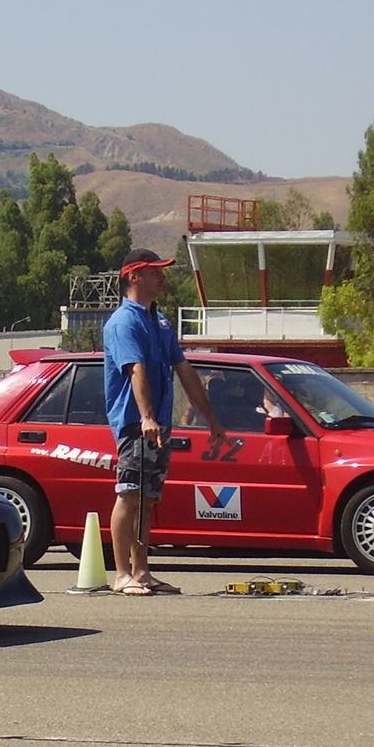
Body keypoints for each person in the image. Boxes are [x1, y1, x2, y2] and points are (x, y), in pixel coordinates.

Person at [103, 248, 225, 596]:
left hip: (157, 425)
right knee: (129, 493)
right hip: (135, 423)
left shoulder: (159, 321)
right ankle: (122, 573)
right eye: (155, 271)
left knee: (147, 498)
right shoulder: (123, 322)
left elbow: (184, 370)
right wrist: (145, 417)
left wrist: (211, 419)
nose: (163, 277)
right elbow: (135, 370)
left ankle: (142, 570)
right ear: (134, 276)